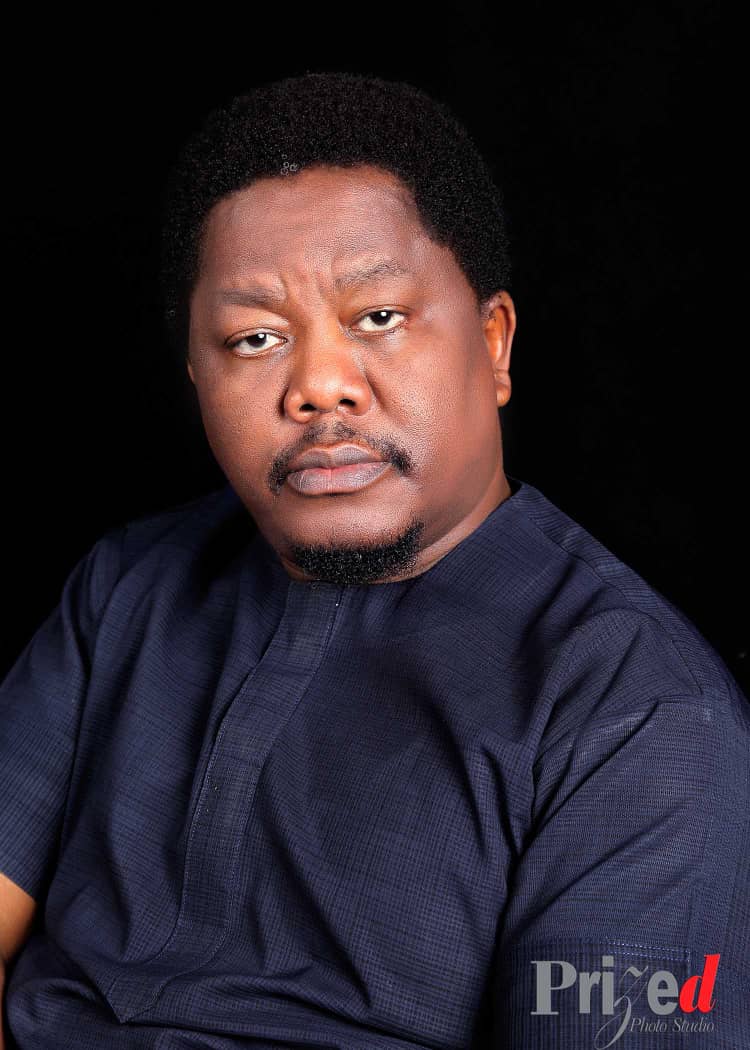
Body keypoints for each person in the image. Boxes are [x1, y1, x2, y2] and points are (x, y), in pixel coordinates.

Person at [0, 72, 747, 1050]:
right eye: (254, 337)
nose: (319, 385)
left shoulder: (639, 712)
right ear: (195, 376)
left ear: (494, 343)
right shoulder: (127, 586)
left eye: (379, 317)